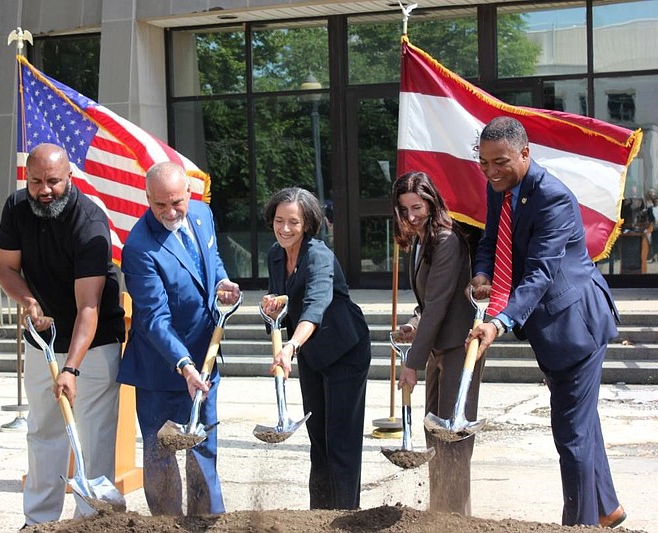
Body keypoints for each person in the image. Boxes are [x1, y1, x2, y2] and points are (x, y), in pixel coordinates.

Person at [466, 117, 626, 528]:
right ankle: (607, 508)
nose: (491, 171)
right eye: (484, 163)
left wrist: (498, 323)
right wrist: (483, 273)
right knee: (581, 421)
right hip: (549, 327)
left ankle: (580, 523)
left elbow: (539, 273)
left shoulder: (552, 197)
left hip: (576, 325)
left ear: (525, 152)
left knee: (570, 435)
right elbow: (490, 240)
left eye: (500, 161)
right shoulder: (498, 187)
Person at [0, 143, 125, 527]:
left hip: (95, 343)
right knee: (44, 431)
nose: (44, 190)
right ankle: (39, 522)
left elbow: (90, 307)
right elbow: (6, 267)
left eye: (53, 181)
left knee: (93, 436)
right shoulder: (17, 208)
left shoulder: (89, 223)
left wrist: (71, 369)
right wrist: (28, 302)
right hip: (43, 340)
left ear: (70, 178)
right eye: (35, 181)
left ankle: (90, 522)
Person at [118, 161, 241, 516]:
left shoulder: (202, 213)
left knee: (204, 452)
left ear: (189, 192)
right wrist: (184, 366)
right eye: (160, 205)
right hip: (161, 368)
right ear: (147, 199)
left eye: (177, 202)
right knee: (161, 457)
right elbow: (155, 318)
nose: (170, 212)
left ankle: (207, 522)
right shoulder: (140, 248)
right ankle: (166, 526)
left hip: (206, 359)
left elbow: (212, 261)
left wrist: (222, 285)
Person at [260, 187, 370, 510]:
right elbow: (282, 306)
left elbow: (316, 304)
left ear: (307, 223)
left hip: (345, 350)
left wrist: (292, 345)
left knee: (340, 443)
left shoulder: (318, 256)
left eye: (293, 222)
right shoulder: (275, 255)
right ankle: (318, 519)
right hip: (310, 354)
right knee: (318, 441)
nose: (284, 229)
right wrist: (270, 312)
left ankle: (346, 519)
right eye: (279, 221)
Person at [391, 171, 481, 515]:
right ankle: (439, 513)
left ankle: (456, 519)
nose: (411, 215)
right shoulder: (420, 239)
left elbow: (440, 304)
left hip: (460, 348)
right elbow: (427, 305)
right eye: (404, 209)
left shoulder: (447, 239)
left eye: (417, 206)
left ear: (431, 201)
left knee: (453, 437)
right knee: (434, 436)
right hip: (436, 347)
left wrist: (410, 364)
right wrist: (415, 325)